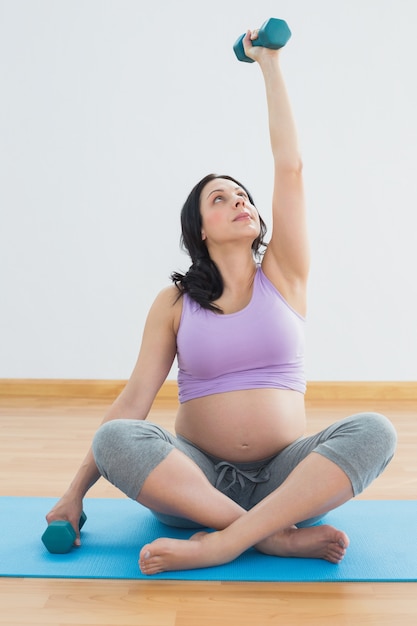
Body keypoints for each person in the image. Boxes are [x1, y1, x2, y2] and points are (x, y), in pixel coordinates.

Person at [46, 28, 397, 575]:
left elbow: (291, 168)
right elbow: (135, 399)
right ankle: (272, 538)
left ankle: (225, 542)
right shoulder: (175, 302)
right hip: (197, 480)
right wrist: (74, 495)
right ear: (200, 229)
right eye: (220, 197)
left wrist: (269, 63)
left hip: (287, 476)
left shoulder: (284, 274)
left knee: (377, 430)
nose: (238, 201)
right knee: (115, 437)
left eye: (243, 195)